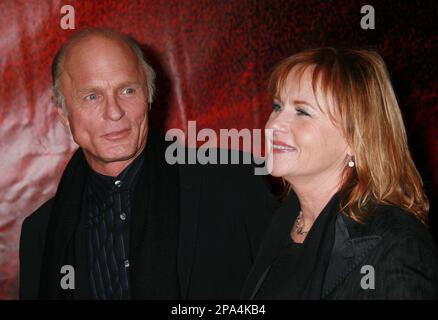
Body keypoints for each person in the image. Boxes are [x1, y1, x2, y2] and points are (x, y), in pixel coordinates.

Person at [19, 28, 276, 299]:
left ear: (149, 96)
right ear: (63, 115)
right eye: (92, 96)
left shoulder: (232, 184)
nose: (115, 112)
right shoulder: (42, 232)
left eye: (128, 90)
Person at [241, 47, 438, 299]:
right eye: (278, 106)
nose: (274, 124)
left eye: (302, 112)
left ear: (356, 138)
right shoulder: (283, 219)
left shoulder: (398, 244)